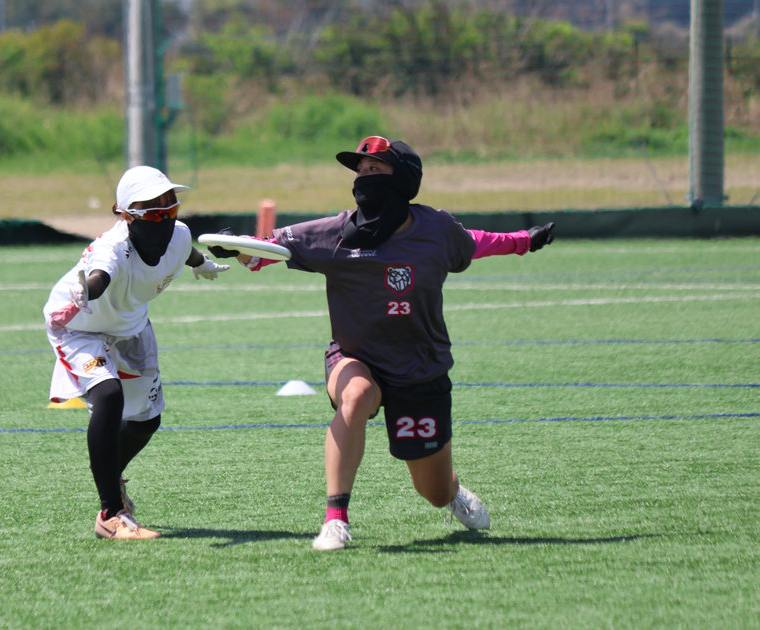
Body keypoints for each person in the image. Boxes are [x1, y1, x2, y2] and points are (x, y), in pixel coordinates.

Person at [208, 136, 554, 550]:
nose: (364, 178)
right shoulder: (335, 232)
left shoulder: (437, 229)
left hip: (420, 369)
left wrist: (523, 241)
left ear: (404, 179)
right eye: (361, 171)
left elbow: (476, 242)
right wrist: (235, 247)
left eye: (376, 169)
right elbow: (269, 250)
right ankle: (336, 519)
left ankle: (452, 491)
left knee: (433, 491)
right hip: (355, 357)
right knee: (355, 395)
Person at [43, 165, 230, 540]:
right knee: (108, 395)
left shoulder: (179, 233)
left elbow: (184, 249)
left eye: (171, 207)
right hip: (79, 323)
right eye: (155, 211)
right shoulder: (113, 247)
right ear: (126, 215)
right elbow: (101, 276)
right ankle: (111, 514)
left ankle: (109, 474)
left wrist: (202, 264)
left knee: (146, 421)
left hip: (131, 325)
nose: (166, 217)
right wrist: (86, 291)